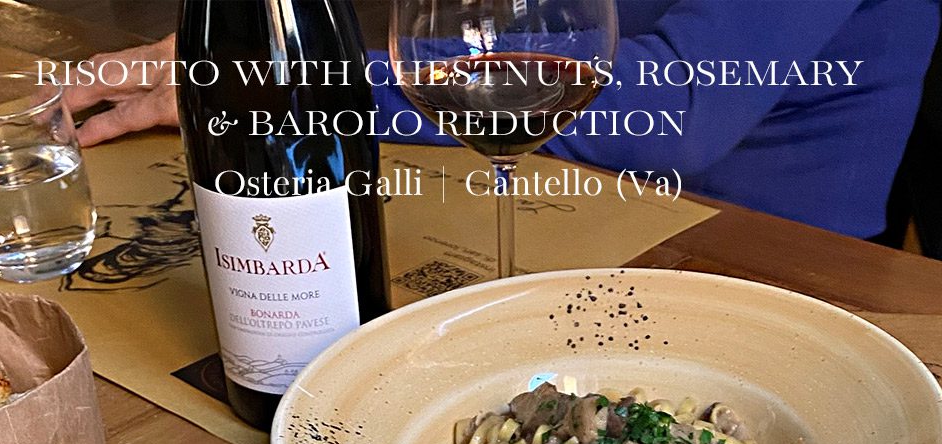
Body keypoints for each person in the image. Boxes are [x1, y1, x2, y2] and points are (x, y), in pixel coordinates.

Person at [63, 0, 940, 240]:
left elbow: (671, 105)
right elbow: (517, 26)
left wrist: (298, 81)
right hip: (586, 195)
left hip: (763, 260)